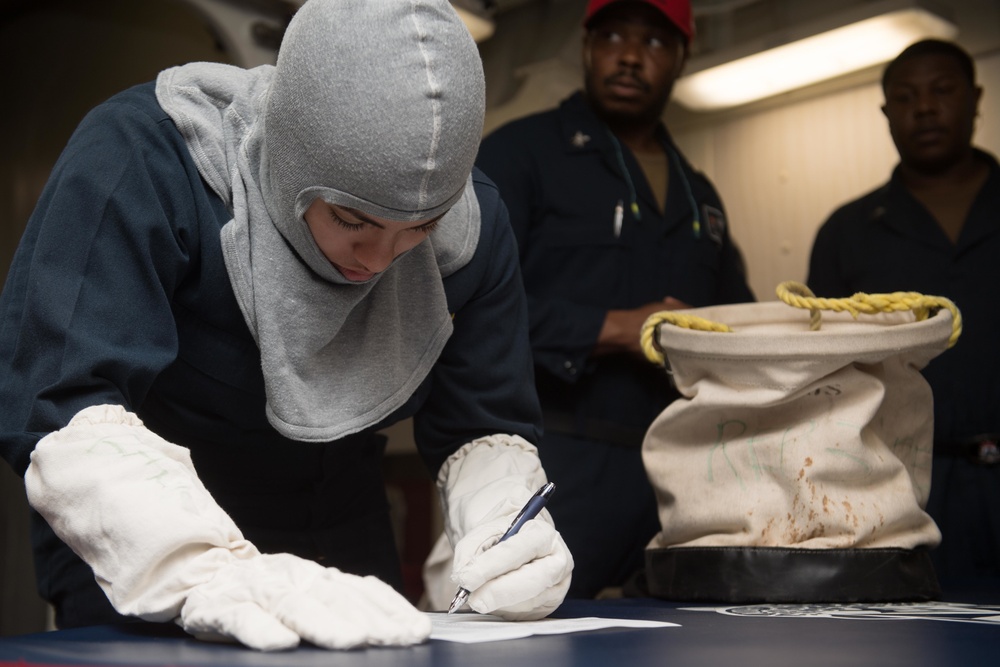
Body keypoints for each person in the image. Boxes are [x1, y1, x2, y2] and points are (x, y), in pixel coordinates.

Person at [0, 0, 572, 652]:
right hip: (151, 542)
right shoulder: (145, 162)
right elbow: (61, 401)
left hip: (343, 536)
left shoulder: (470, 232)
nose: (381, 259)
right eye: (352, 221)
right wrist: (202, 565)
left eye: (417, 229)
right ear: (291, 163)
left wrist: (499, 519)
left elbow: (483, 420)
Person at [472, 0, 755, 599]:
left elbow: (739, 325)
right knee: (523, 635)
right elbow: (469, 308)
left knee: (673, 644)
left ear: (682, 56)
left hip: (681, 477)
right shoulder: (520, 155)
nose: (629, 56)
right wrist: (615, 328)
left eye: (653, 42)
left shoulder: (699, 194)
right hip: (553, 461)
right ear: (586, 46)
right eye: (612, 36)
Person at [807, 39, 1000, 581]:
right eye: (906, 97)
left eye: (942, 91)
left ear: (975, 98)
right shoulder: (848, 232)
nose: (925, 108)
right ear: (887, 113)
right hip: (900, 491)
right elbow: (821, 379)